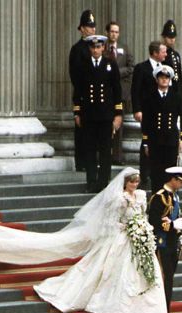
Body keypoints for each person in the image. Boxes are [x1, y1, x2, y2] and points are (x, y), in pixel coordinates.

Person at [34, 170, 168, 313]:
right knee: (116, 270)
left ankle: (147, 312)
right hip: (123, 237)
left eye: (137, 182)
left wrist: (142, 228)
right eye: (132, 182)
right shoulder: (119, 199)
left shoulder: (140, 196)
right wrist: (127, 227)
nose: (134, 185)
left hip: (139, 237)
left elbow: (143, 216)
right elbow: (110, 221)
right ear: (125, 182)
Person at [75, 34, 123, 193]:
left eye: (98, 47)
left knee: (105, 150)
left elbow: (117, 90)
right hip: (89, 115)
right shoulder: (83, 65)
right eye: (93, 47)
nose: (95, 50)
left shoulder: (110, 64)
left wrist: (118, 114)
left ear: (103, 47)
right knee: (89, 149)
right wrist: (77, 112)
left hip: (105, 115)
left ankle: (104, 181)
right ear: (89, 49)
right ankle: (91, 181)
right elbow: (78, 90)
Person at [148, 166, 182, 313]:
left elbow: (176, 217)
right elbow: (153, 222)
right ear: (173, 179)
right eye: (181, 181)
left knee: (170, 277)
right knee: (165, 277)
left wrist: (180, 233)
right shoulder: (159, 197)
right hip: (162, 242)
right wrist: (172, 226)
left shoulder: (175, 196)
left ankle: (165, 311)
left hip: (172, 241)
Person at [140, 64, 182, 193]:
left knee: (171, 173)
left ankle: (171, 204)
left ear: (170, 79)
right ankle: (157, 202)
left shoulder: (176, 97)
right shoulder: (149, 97)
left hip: (171, 140)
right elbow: (146, 122)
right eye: (161, 77)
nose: (164, 79)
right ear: (156, 79)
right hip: (155, 141)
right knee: (156, 173)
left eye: (167, 77)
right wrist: (146, 142)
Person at [130, 41, 169, 190]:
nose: (166, 54)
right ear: (155, 53)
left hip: (162, 111)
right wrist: (137, 109)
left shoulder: (165, 69)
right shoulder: (142, 68)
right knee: (147, 141)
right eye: (163, 51)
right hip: (147, 111)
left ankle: (157, 173)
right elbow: (136, 90)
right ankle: (144, 174)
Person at [69, 9, 97, 172]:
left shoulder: (97, 47)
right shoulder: (77, 49)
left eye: (93, 26)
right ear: (81, 28)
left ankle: (93, 161)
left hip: (97, 99)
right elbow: (75, 76)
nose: (92, 29)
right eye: (88, 26)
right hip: (83, 96)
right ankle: (82, 163)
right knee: (82, 132)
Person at [105, 21, 135, 165]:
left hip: (120, 93)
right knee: (105, 124)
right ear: (107, 32)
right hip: (106, 93)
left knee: (119, 125)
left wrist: (118, 72)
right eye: (112, 32)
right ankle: (104, 154)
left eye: (116, 32)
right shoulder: (102, 48)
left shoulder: (125, 48)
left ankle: (117, 156)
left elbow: (131, 67)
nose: (114, 34)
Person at [161, 19, 182, 103]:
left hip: (175, 91)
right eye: (169, 37)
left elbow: (179, 77)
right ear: (164, 37)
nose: (172, 39)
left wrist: (181, 95)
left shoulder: (176, 55)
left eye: (173, 37)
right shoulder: (161, 53)